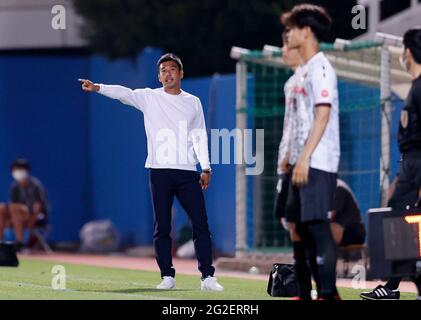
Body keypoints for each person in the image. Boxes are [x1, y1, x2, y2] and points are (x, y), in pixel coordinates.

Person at [78, 53, 223, 291]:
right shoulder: (149, 97)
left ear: (181, 73)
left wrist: (205, 167)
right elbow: (123, 93)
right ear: (158, 76)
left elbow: (199, 136)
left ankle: (207, 277)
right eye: (163, 70)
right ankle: (167, 276)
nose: (168, 73)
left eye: (172, 69)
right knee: (162, 226)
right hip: (159, 171)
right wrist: (97, 87)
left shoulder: (193, 102)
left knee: (200, 224)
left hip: (187, 171)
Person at [281, 4, 340, 300]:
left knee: (318, 228)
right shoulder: (302, 73)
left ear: (306, 32)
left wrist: (304, 158)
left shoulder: (322, 68)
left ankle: (327, 294)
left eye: (291, 29)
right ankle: (313, 293)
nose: (287, 35)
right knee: (301, 229)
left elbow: (323, 116)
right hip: (301, 163)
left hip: (318, 162)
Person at [361, 28, 421, 300]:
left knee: (405, 230)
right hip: (409, 168)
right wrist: (401, 178)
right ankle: (393, 286)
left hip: (417, 169)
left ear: (408, 51)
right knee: (403, 230)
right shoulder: (415, 86)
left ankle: (393, 286)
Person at [0, 159, 49, 251]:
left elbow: (39, 206)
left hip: (36, 216)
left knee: (14, 208)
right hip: (18, 216)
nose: (17, 172)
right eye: (15, 169)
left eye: (20, 169)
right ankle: (1, 243)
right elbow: (12, 205)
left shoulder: (35, 185)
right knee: (2, 208)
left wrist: (32, 219)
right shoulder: (15, 186)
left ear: (26, 170)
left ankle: (20, 242)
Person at [331, 179, 366, 247]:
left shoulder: (338, 188)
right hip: (344, 230)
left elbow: (329, 216)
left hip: (353, 232)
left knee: (323, 228)